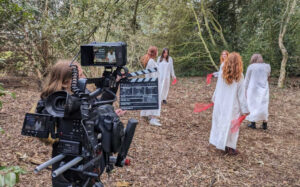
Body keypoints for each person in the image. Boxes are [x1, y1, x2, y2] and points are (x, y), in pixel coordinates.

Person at [209, 52, 249, 155]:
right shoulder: (239, 76)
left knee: (222, 122)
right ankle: (229, 147)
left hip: (221, 103)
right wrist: (245, 109)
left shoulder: (223, 72)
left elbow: (217, 88)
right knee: (232, 126)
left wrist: (214, 98)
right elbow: (241, 95)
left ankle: (223, 143)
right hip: (232, 105)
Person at [244, 54, 271, 130]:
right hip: (264, 88)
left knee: (252, 105)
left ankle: (253, 123)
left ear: (253, 59)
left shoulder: (251, 67)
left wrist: (245, 89)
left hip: (253, 88)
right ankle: (264, 123)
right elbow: (268, 76)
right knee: (264, 105)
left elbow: (247, 79)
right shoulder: (267, 66)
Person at [140, 46, 162, 126]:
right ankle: (153, 118)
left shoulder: (150, 60)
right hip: (153, 84)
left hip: (152, 84)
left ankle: (150, 116)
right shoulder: (151, 61)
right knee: (154, 100)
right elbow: (153, 75)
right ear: (155, 53)